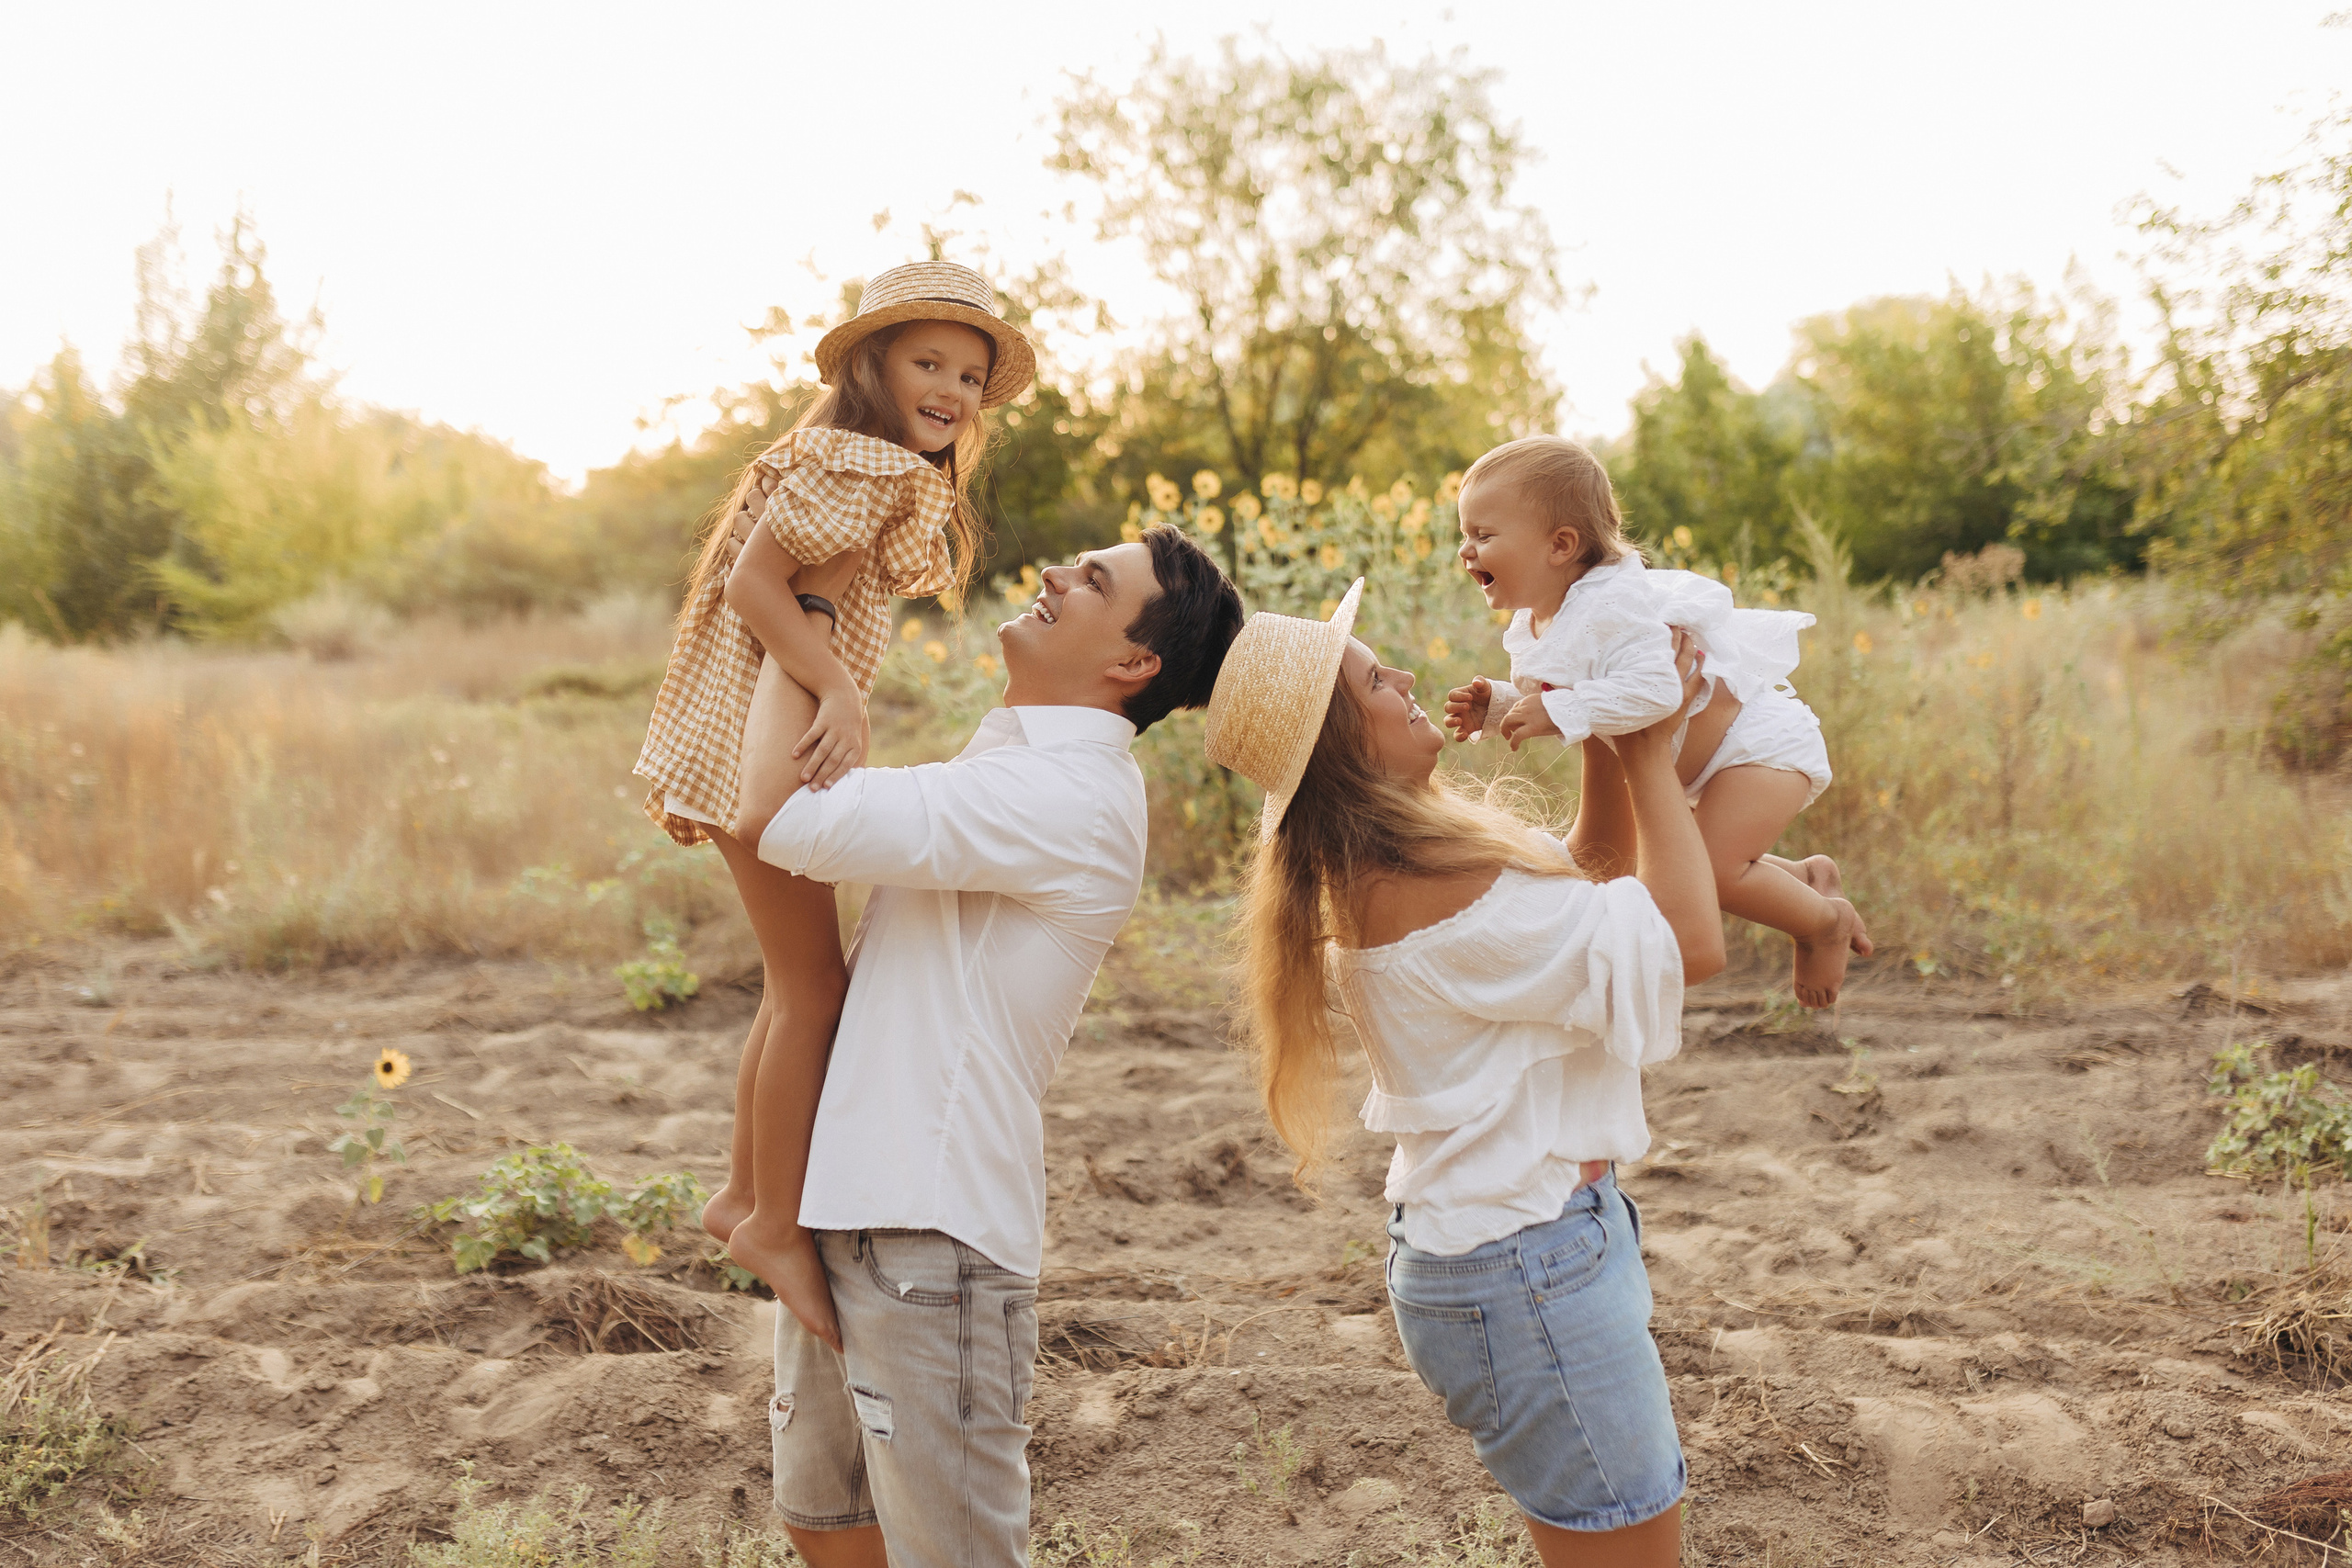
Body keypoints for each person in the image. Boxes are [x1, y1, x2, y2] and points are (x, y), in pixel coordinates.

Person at [740, 525, 1243, 1568]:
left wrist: (810, 612)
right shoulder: (1013, 759)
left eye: (1094, 580)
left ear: (1133, 662)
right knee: (828, 1528)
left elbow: (776, 816)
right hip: (855, 1204)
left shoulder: (1065, 796)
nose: (1056, 573)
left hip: (932, 1240)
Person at [1206, 579, 1722, 1567]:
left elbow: (1593, 870)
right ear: (1343, 745)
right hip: (1524, 1267)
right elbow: (1686, 940)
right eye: (1373, 681)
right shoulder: (1423, 887)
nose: (1404, 676)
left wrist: (1599, 722)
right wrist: (1649, 747)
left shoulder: (1408, 856)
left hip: (1521, 1247)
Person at [632, 261, 1035, 1349]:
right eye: (927, 363)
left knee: (797, 984)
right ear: (872, 367)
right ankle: (768, 1221)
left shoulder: (854, 459)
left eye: (969, 376)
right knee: (814, 992)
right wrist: (843, 693)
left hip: (743, 732)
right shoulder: (863, 462)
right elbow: (754, 589)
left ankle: (741, 1196)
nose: (951, 390)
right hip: (758, 743)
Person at [1441, 435, 1871, 1007]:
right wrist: (1497, 708)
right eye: (1465, 534)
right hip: (1708, 763)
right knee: (1687, 861)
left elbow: (1657, 691)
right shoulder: (1541, 619)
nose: (1466, 550)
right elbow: (1567, 693)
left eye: (1483, 535)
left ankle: (1822, 925)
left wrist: (1560, 710)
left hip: (1757, 750)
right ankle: (1807, 877)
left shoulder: (1614, 607)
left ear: (1560, 545)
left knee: (1710, 873)